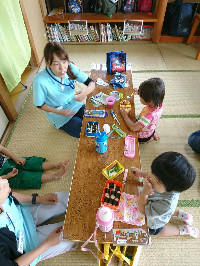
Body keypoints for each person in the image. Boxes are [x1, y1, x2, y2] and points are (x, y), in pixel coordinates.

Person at [0, 178, 77, 265]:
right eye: (0, 188)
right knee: (71, 236)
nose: (5, 180)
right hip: (28, 247)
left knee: (66, 198)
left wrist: (38, 199)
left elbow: (10, 195)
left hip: (24, 213)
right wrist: (48, 243)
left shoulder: (3, 193)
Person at [33, 42, 95, 138]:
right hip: (58, 114)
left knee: (94, 120)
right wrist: (61, 112)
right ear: (47, 64)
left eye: (64, 62)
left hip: (73, 103)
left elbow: (91, 83)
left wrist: (83, 94)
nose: (62, 68)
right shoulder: (40, 80)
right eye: (56, 64)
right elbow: (39, 105)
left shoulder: (69, 67)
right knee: (86, 131)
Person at [131, 151, 199, 238]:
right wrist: (141, 173)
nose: (150, 177)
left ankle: (183, 230)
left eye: (157, 181)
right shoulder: (162, 180)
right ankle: (181, 214)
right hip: (160, 207)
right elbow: (154, 175)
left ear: (172, 190)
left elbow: (142, 210)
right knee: (165, 211)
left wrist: (144, 192)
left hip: (156, 222)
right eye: (152, 171)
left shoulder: (167, 204)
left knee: (157, 231)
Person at [0, 144, 69, 189]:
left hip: (7, 161)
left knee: (30, 163)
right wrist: (7, 176)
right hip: (3, 175)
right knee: (24, 177)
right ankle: (55, 175)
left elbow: (2, 149)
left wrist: (16, 158)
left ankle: (56, 165)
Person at [120, 77, 165, 143]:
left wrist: (125, 116)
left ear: (149, 100)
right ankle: (152, 133)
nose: (140, 96)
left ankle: (148, 139)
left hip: (142, 135)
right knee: (150, 126)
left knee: (127, 131)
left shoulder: (149, 116)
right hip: (150, 127)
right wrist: (139, 92)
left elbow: (133, 128)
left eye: (141, 96)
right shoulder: (158, 102)